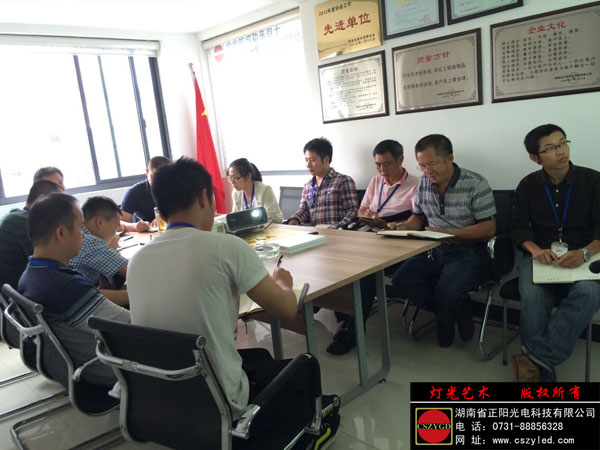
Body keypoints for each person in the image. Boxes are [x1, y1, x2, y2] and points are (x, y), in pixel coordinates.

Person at [126, 158, 339, 446]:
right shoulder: (226, 247)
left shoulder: (137, 260)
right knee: (306, 368)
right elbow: (287, 310)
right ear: (204, 196)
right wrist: (283, 283)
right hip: (220, 400)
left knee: (259, 358)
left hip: (160, 395)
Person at [511, 124, 600, 382]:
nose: (561, 151)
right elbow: (518, 228)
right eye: (551, 148)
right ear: (535, 157)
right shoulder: (527, 185)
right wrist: (535, 250)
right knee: (533, 297)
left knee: (589, 292)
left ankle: (533, 361)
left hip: (585, 255)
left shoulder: (593, 180)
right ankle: (543, 380)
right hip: (541, 257)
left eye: (563, 143)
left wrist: (584, 253)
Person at [391, 134, 496, 348]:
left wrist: (450, 234)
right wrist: (400, 228)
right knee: (401, 280)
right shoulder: (423, 183)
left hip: (467, 250)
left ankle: (445, 322)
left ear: (449, 158)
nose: (427, 171)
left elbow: (489, 228)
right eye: (422, 166)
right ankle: (458, 308)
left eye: (432, 164)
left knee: (447, 290)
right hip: (433, 248)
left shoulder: (475, 183)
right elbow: (418, 217)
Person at [18, 193, 130, 387]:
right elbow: (132, 324)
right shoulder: (64, 287)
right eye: (80, 227)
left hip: (75, 365)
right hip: (111, 367)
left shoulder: (31, 274)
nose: (83, 235)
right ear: (61, 233)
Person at [326, 139, 419, 355]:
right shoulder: (376, 181)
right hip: (368, 235)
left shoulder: (416, 184)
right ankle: (342, 314)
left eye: (387, 164)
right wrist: (368, 216)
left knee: (364, 271)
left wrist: (390, 224)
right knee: (336, 257)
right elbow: (361, 210)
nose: (382, 170)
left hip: (396, 241)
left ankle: (353, 330)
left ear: (400, 160)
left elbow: (418, 219)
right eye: (378, 164)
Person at [0, 179, 63, 290]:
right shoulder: (26, 223)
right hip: (17, 290)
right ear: (41, 199)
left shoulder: (15, 216)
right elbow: (47, 264)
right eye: (59, 205)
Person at [68, 196, 129, 306]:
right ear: (99, 222)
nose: (115, 234)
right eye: (115, 228)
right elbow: (132, 270)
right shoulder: (90, 242)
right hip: (83, 306)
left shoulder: (76, 236)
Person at [287, 138, 358, 229]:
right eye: (306, 160)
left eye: (312, 160)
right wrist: (295, 219)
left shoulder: (343, 181)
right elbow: (304, 210)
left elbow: (353, 211)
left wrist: (336, 227)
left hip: (336, 233)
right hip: (314, 233)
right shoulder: (308, 185)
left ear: (326, 160)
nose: (308, 165)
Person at [228, 158, 284, 223]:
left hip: (271, 227)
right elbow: (235, 216)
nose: (232, 182)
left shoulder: (265, 190)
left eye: (236, 178)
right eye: (230, 178)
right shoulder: (236, 193)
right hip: (250, 229)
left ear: (248, 175)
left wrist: (247, 221)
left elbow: (273, 217)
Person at [120, 156, 171, 226]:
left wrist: (163, 217)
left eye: (164, 178)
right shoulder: (135, 192)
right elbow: (120, 223)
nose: (159, 182)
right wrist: (135, 226)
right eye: (155, 177)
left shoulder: (176, 189)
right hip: (145, 231)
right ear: (147, 171)